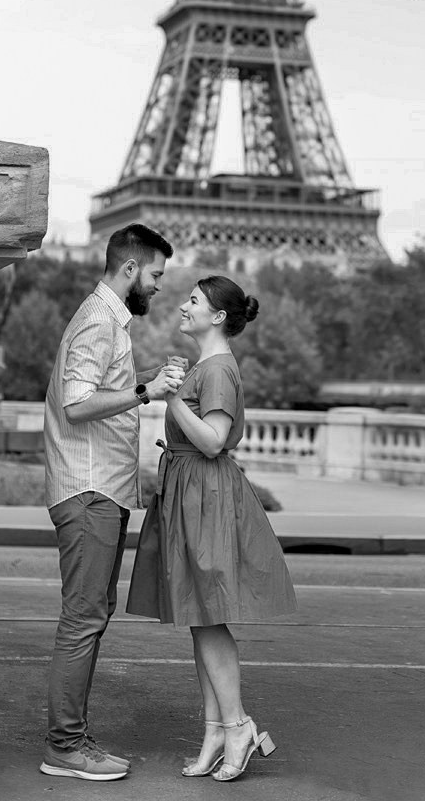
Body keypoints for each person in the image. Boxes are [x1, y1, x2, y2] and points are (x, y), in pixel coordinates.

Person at [127, 274, 297, 782]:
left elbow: (214, 441)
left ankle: (238, 725)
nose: (183, 306)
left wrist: (171, 399)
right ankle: (217, 732)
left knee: (209, 615)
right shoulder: (206, 365)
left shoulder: (218, 369)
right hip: (191, 494)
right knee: (200, 617)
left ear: (218, 317)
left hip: (207, 496)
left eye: (194, 301)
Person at [40, 223, 185, 783]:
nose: (158, 286)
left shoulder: (104, 321)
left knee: (89, 617)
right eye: (155, 275)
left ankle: (71, 740)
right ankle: (65, 748)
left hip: (97, 489)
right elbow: (78, 405)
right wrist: (148, 391)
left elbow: (94, 394)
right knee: (82, 620)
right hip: (90, 491)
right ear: (130, 270)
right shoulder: (100, 323)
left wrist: (143, 381)